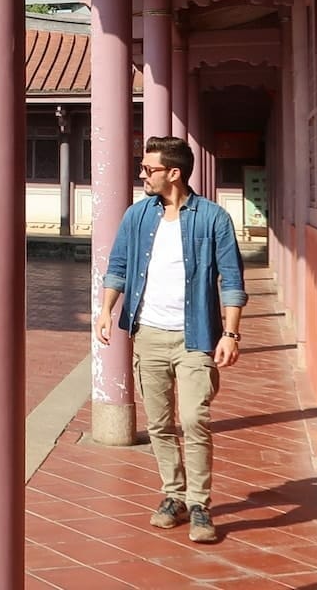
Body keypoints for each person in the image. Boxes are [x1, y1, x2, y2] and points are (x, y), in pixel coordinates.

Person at [96, 135, 247, 544]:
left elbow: (231, 280)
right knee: (160, 423)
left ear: (173, 173)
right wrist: (106, 311)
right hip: (148, 334)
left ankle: (200, 504)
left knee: (196, 419)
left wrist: (231, 333)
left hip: (195, 335)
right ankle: (173, 495)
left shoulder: (213, 218)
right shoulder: (137, 216)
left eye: (149, 169)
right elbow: (119, 265)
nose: (142, 175)